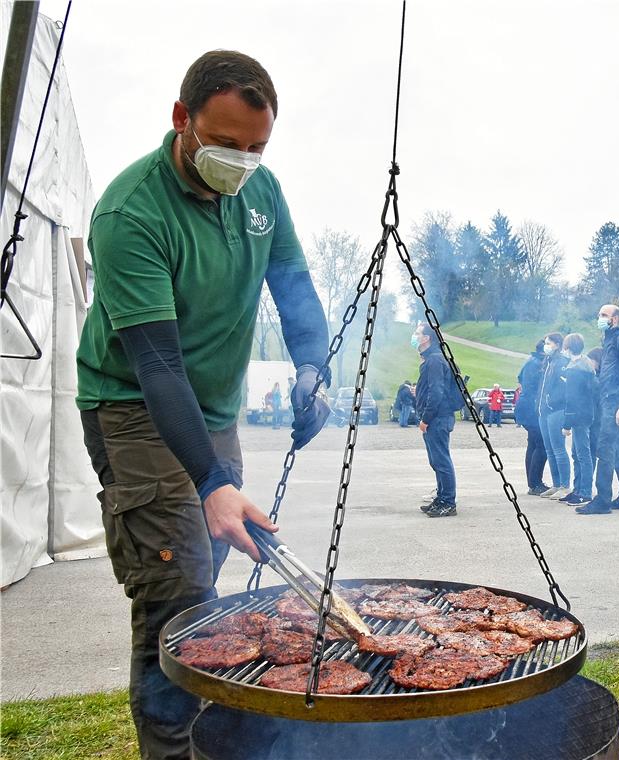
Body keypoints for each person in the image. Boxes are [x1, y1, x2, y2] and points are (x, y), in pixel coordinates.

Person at [74, 51, 330, 759]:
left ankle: (210, 737)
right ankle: (169, 747)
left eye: (257, 147)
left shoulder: (261, 191)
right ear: (182, 119)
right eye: (226, 143)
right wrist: (212, 482)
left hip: (212, 413)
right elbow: (155, 362)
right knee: (175, 589)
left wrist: (313, 366)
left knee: (207, 584)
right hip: (133, 408)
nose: (242, 160)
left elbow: (296, 287)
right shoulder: (132, 212)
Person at [577, 304, 619, 515]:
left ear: (615, 319)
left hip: (616, 404)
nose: (600, 318)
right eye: (599, 314)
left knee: (604, 449)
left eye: (604, 315)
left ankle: (602, 500)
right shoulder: (609, 340)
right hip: (609, 401)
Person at [413, 323, 458, 518]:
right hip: (437, 417)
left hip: (437, 419)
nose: (414, 336)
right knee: (437, 461)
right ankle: (441, 498)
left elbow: (437, 392)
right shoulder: (431, 359)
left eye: (417, 333)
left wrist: (425, 418)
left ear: (426, 338)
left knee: (441, 461)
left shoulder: (434, 360)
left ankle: (448, 502)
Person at [560, 333, 597, 506]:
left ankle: (585, 492)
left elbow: (571, 398)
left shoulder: (574, 370)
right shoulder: (585, 365)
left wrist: (566, 424)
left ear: (567, 348)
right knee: (578, 454)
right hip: (587, 413)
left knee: (582, 455)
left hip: (579, 416)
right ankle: (578, 489)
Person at [537, 332, 571, 499]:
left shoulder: (562, 362)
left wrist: (552, 401)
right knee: (549, 449)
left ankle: (565, 485)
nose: (546, 345)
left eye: (548, 342)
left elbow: (565, 388)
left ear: (557, 344)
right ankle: (556, 484)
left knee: (558, 449)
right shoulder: (548, 361)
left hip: (556, 410)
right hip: (544, 410)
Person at [516, 340, 550, 496]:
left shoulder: (530, 361)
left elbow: (520, 378)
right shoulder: (538, 364)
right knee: (541, 445)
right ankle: (535, 483)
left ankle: (533, 482)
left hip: (525, 406)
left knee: (533, 444)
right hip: (532, 407)